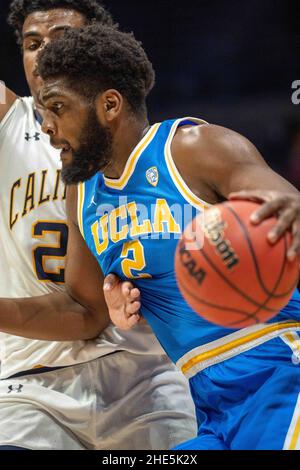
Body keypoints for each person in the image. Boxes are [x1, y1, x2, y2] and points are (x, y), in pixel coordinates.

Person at [36, 23, 300, 450]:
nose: (47, 125)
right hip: (207, 401)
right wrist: (117, 303)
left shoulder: (195, 148)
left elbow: (287, 208)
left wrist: (279, 223)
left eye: (58, 107)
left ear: (109, 105)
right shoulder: (82, 196)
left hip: (277, 362)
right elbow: (84, 308)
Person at [0, 0, 197, 450]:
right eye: (32, 44)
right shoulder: (9, 118)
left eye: (62, 39)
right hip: (32, 378)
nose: (45, 54)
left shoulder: (148, 145)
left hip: (144, 370)